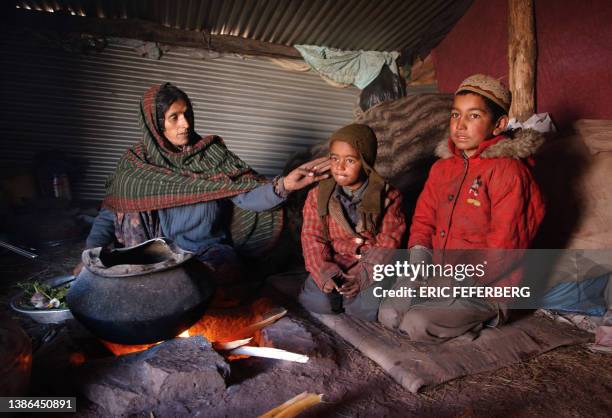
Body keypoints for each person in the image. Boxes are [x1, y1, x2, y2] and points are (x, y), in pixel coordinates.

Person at [75, 83, 330, 304]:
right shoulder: (136, 165)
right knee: (140, 288)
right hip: (151, 255)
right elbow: (109, 215)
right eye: (174, 117)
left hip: (206, 251)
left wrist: (284, 185)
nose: (185, 124)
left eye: (187, 114)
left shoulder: (212, 155)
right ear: (154, 124)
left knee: (218, 286)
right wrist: (89, 255)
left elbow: (246, 196)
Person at [378, 74, 546, 342]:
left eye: (474, 116)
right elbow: (424, 220)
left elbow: (505, 245)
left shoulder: (509, 172)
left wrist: (455, 281)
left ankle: (486, 318)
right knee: (388, 314)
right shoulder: (442, 169)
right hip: (438, 276)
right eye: (456, 115)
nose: (460, 125)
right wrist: (418, 268)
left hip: (485, 286)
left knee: (416, 324)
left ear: (499, 124)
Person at [299, 124, 407, 321]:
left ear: (365, 162)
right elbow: (312, 238)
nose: (339, 167)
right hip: (335, 261)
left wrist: (362, 277)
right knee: (316, 301)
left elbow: (388, 242)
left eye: (350, 160)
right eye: (334, 158)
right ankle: (334, 292)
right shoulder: (317, 195)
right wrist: (325, 273)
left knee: (365, 309)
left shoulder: (389, 196)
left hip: (372, 263)